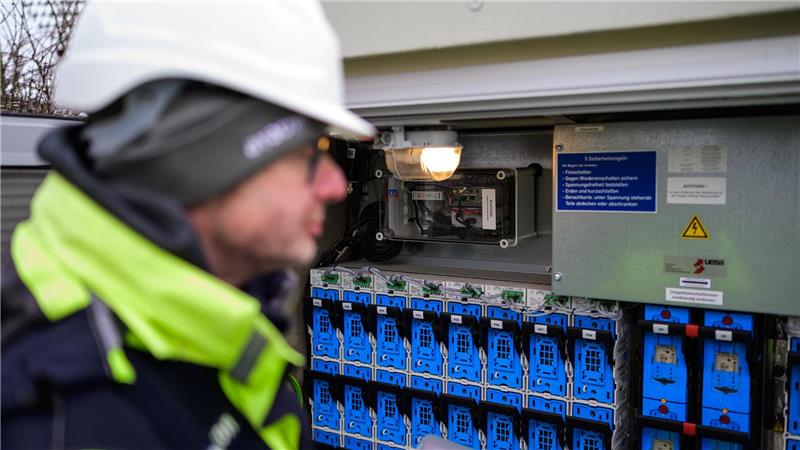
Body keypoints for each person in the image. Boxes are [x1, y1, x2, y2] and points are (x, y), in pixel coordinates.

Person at [1, 2, 374, 449]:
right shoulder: (62, 417)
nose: (336, 185)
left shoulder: (223, 308)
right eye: (309, 152)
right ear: (203, 159)